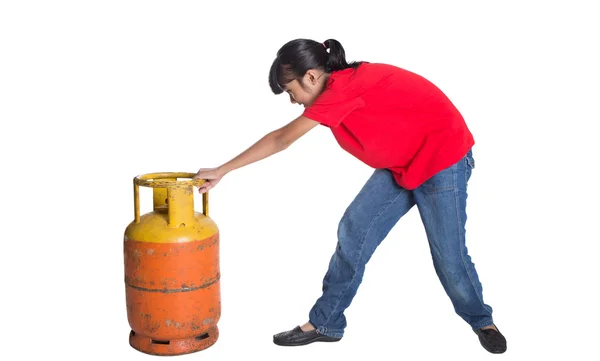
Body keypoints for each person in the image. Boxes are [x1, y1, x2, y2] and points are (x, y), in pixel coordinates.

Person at [193, 38, 507, 354]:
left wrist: (223, 169)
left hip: (443, 159)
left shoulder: (340, 89)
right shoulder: (342, 84)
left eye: (292, 91)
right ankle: (325, 324)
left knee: (449, 255)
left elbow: (281, 139)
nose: (293, 101)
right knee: (354, 230)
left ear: (312, 77)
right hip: (403, 163)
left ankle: (483, 322)